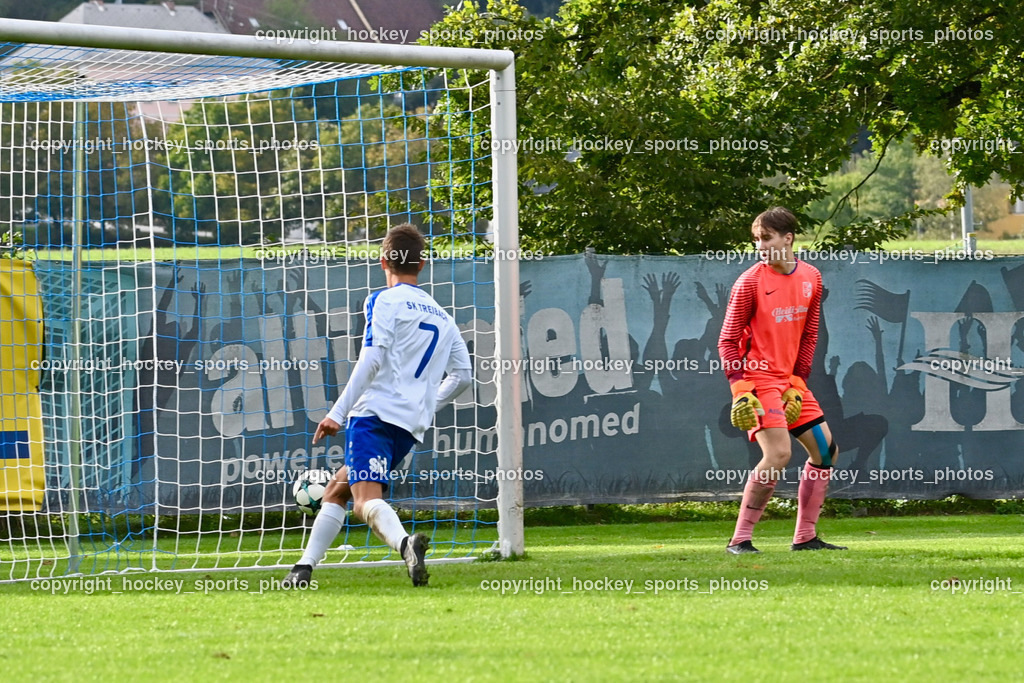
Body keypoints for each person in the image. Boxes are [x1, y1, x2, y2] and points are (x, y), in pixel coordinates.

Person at [283, 224, 473, 586]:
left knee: (363, 501)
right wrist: (426, 403)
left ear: (384, 259)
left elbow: (371, 359)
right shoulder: (442, 317)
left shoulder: (383, 301)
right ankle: (303, 568)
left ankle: (406, 544)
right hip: (409, 425)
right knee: (339, 489)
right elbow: (463, 375)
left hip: (374, 415)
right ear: (422, 264)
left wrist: (336, 413)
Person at [718, 207, 847, 554]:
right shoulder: (750, 281)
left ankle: (805, 537)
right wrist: (740, 389)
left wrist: (798, 383)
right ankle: (739, 539)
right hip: (756, 380)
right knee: (778, 454)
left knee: (825, 452)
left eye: (766, 238)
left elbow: (809, 335)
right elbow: (727, 341)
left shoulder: (812, 277)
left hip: (789, 383)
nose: (760, 246)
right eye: (756, 240)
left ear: (788, 238)